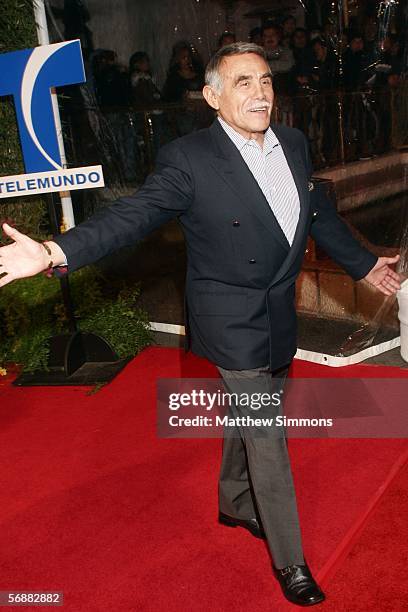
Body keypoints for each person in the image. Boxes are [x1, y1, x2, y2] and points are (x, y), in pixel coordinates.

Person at [0, 42, 401, 607]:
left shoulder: (293, 143)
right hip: (231, 319)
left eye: (265, 80)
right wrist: (52, 251)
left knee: (252, 417)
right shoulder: (188, 159)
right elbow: (132, 214)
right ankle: (292, 561)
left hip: (277, 314)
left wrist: (363, 265)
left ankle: (234, 501)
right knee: (267, 433)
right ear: (212, 96)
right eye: (242, 83)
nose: (260, 93)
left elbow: (317, 214)